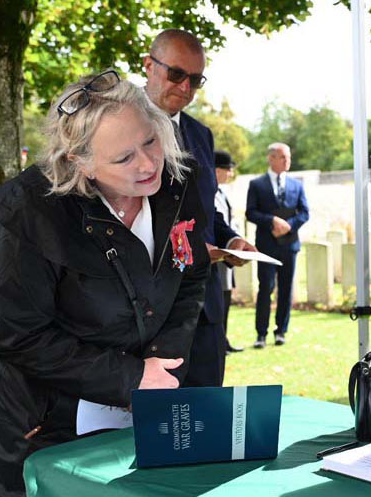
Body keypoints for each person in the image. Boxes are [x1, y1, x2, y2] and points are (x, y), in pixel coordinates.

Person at [0, 72, 209, 497]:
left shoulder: (177, 182)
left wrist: (161, 363)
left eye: (150, 141)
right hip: (45, 425)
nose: (147, 164)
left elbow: (191, 273)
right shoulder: (24, 215)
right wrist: (131, 377)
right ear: (78, 161)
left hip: (141, 409)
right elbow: (19, 337)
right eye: (123, 159)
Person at [143, 28, 257, 387]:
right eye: (176, 74)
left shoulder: (200, 134)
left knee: (208, 420)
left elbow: (205, 212)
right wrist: (188, 250)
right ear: (148, 65)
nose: (186, 88)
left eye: (196, 79)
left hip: (204, 306)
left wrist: (232, 239)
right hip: (150, 309)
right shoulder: (121, 129)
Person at [246, 143, 310, 348]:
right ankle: (261, 334)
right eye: (282, 157)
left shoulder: (296, 185)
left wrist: (289, 226)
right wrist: (271, 221)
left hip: (289, 245)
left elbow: (304, 212)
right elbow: (251, 212)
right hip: (266, 245)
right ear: (271, 158)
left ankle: (281, 331)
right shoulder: (257, 184)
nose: (287, 161)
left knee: (286, 288)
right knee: (266, 288)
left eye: (288, 157)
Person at [214, 150, 243, 354]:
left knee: (226, 299)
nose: (230, 174)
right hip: (217, 255)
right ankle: (218, 341)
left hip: (228, 254)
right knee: (219, 301)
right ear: (217, 170)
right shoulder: (210, 193)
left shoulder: (221, 192)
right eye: (228, 169)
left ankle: (223, 339)